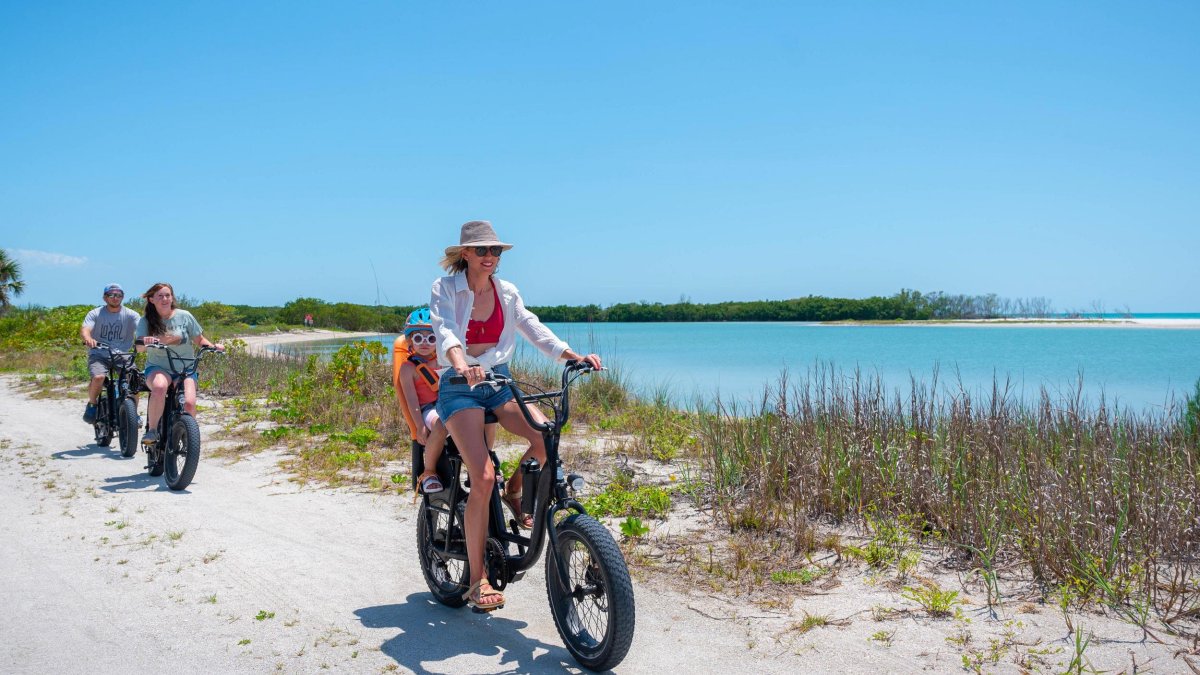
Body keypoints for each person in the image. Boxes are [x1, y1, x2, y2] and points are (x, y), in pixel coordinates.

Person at [430, 220, 602, 611]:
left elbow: (531, 327)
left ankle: (516, 491)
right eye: (483, 251)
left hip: (497, 382)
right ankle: (478, 580)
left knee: (545, 436)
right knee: (483, 475)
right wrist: (460, 365)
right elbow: (446, 333)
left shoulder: (506, 292)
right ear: (465, 255)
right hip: (459, 386)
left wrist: (571, 355)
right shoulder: (445, 289)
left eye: (496, 251)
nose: (491, 257)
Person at [134, 282, 223, 445]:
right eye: (160, 296)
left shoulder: (185, 316)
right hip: (158, 368)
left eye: (167, 295)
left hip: (185, 368)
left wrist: (213, 347)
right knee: (160, 387)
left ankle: (187, 436)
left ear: (172, 297)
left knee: (189, 403)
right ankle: (152, 431)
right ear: (151, 299)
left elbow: (199, 339)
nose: (164, 299)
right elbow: (139, 347)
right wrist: (150, 341)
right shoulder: (146, 321)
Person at [396, 307, 451, 493]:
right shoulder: (408, 368)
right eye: (419, 338)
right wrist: (419, 426)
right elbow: (411, 401)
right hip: (429, 409)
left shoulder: (444, 361)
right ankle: (429, 471)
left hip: (449, 403)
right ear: (410, 341)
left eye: (431, 338)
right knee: (442, 422)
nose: (425, 343)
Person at [81, 283, 141, 424]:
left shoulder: (131, 315)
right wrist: (88, 339)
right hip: (99, 353)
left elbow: (142, 329)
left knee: (134, 380)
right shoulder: (95, 313)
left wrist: (147, 339)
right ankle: (92, 404)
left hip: (122, 354)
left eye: (119, 295)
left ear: (123, 297)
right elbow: (86, 329)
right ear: (105, 297)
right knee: (99, 377)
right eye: (112, 295)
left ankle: (134, 414)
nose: (115, 298)